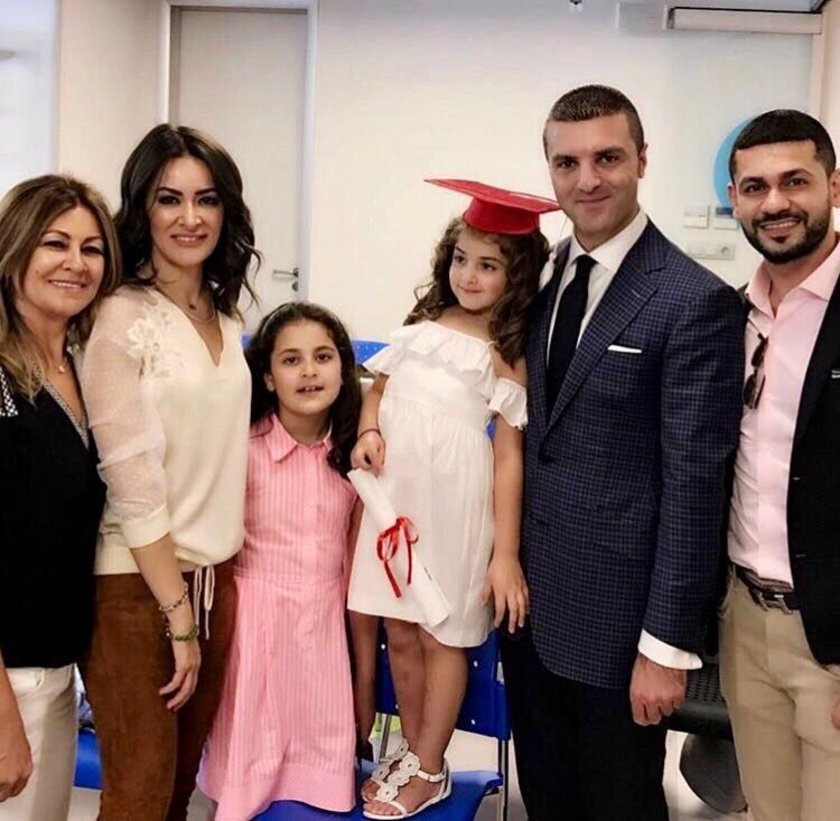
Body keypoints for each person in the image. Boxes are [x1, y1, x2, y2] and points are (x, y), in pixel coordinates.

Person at [499, 84, 745, 820]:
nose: (588, 180)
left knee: (619, 806)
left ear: (641, 159)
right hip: (532, 613)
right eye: (567, 163)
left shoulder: (692, 299)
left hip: (621, 628)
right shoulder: (538, 276)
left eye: (607, 158)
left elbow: (695, 488)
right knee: (547, 800)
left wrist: (665, 647)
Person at [348, 178, 554, 818]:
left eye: (488, 265)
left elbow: (509, 457)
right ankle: (413, 752)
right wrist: (369, 431)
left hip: (454, 510)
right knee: (400, 629)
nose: (468, 275)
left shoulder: (507, 354)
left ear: (515, 276)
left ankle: (433, 764)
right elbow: (377, 392)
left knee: (442, 635)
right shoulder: (421, 327)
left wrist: (504, 554)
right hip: (394, 504)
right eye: (462, 258)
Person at [79, 124, 259, 820]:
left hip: (215, 580)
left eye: (206, 199)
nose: (190, 217)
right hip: (136, 583)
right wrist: (177, 616)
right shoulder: (120, 317)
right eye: (169, 199)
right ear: (142, 209)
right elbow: (131, 481)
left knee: (180, 792)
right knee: (140, 797)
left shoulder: (224, 313)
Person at [720, 109, 840, 821]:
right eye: (755, 187)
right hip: (745, 622)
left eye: (795, 181)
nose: (775, 203)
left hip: (832, 638)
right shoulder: (730, 316)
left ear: (833, 185)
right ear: (735, 200)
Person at [199, 301, 362, 818]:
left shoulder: (356, 455)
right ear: (268, 378)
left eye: (323, 357)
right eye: (291, 360)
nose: (309, 371)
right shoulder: (242, 449)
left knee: (318, 784)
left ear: (344, 368)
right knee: (248, 768)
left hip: (323, 630)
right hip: (254, 628)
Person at [0, 174, 120, 819]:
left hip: (53, 674)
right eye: (55, 243)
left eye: (91, 248)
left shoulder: (81, 364)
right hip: (9, 680)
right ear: (14, 249)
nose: (76, 262)